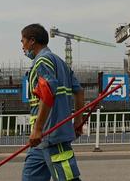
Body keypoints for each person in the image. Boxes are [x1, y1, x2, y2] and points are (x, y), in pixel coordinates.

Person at [21, 23, 84, 181]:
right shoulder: (59, 62)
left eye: (23, 41)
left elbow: (47, 93)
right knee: (29, 177)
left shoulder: (42, 61)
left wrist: (38, 129)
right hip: (41, 141)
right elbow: (79, 91)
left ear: (32, 41)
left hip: (52, 135)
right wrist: (78, 121)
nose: (22, 46)